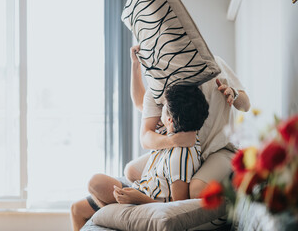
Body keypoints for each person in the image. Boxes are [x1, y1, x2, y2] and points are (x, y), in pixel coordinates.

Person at [70, 84, 209, 231]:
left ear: (170, 120)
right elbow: (139, 103)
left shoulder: (180, 157)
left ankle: (117, 219)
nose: (161, 108)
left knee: (95, 182)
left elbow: (177, 211)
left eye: (164, 106)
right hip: (141, 190)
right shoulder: (175, 132)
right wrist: (136, 66)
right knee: (76, 209)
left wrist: (138, 199)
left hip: (144, 204)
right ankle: (114, 215)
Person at [125, 45, 251, 199]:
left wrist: (234, 94)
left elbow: (246, 106)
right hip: (183, 147)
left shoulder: (214, 65)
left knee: (196, 190)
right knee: (131, 171)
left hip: (219, 149)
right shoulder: (160, 84)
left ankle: (230, 187)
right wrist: (173, 141)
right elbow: (143, 121)